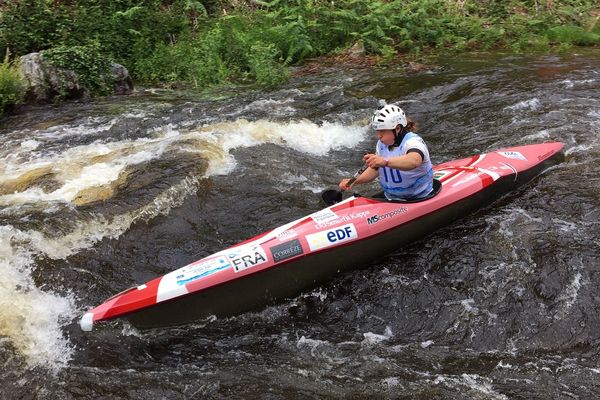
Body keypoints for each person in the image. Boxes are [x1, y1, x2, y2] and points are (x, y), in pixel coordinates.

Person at [339, 104, 433, 200]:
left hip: (420, 197)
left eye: (383, 131)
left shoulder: (412, 142)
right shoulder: (381, 144)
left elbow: (414, 161)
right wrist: (354, 181)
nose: (379, 136)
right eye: (378, 131)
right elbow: (375, 170)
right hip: (391, 198)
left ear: (397, 128)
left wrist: (384, 161)